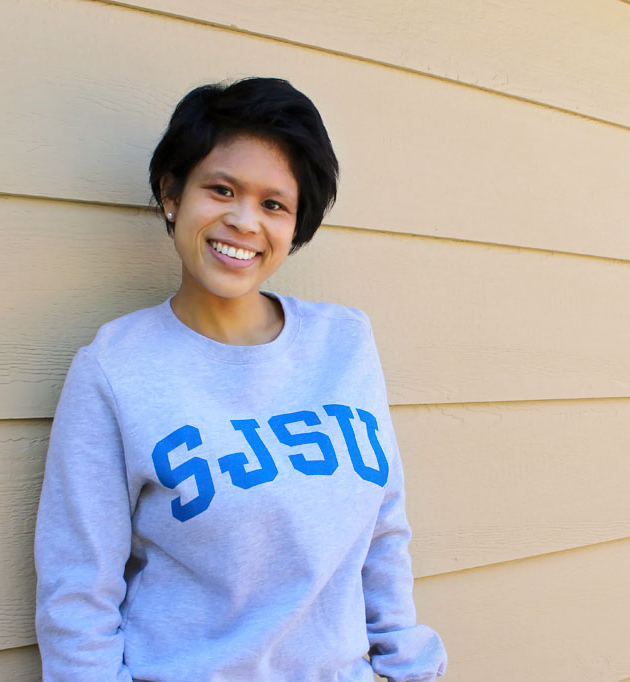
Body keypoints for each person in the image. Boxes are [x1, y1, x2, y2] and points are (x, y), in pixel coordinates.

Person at [34, 77, 447, 682]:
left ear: (295, 224)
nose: (243, 221)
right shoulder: (115, 370)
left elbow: (382, 527)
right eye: (221, 190)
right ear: (172, 194)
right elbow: (77, 596)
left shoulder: (345, 342)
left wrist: (409, 665)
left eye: (274, 204)